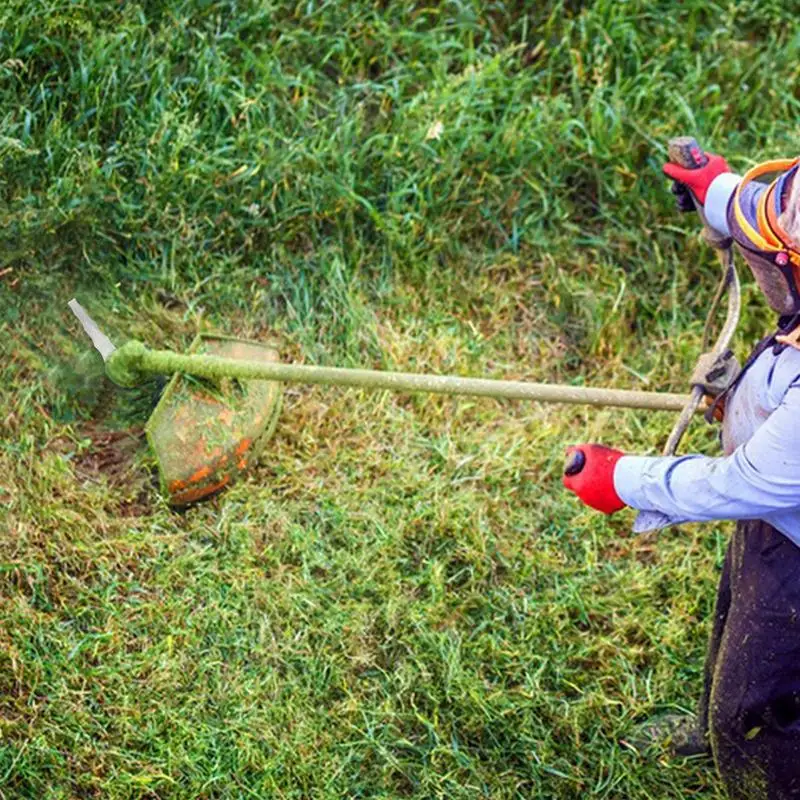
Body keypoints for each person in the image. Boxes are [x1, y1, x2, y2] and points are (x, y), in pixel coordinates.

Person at [563, 149, 800, 800]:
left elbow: (740, 483)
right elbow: (764, 218)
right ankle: (710, 730)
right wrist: (712, 190)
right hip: (771, 529)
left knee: (759, 705)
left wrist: (624, 479)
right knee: (732, 619)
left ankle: (762, 777)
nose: (761, 253)